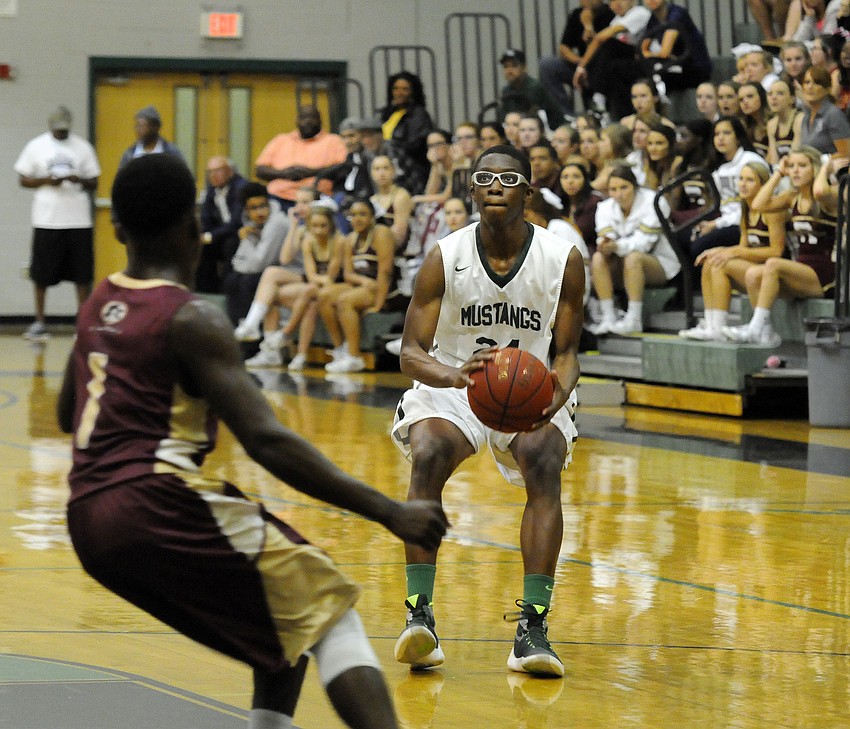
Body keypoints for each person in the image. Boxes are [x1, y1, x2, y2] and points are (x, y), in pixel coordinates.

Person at [57, 153, 449, 729]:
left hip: (88, 520)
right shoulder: (192, 318)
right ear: (194, 228)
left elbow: (71, 413)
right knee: (333, 609)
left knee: (283, 629)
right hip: (154, 501)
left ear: (116, 229)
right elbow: (268, 442)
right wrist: (390, 511)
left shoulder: (100, 300)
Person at [390, 144, 585, 678]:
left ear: (527, 191)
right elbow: (409, 351)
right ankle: (418, 616)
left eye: (508, 177)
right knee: (427, 453)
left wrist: (553, 401)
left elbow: (567, 355)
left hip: (530, 384)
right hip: (454, 379)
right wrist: (453, 376)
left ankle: (534, 628)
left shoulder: (561, 258)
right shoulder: (444, 255)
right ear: (471, 191)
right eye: (484, 177)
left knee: (544, 459)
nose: (495, 185)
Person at [724, 146, 840, 345]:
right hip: (801, 268)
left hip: (824, 273)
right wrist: (779, 172)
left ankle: (754, 328)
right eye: (792, 166)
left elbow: (820, 191)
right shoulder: (791, 197)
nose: (794, 171)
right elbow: (758, 204)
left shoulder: (829, 196)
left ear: (814, 168)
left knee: (772, 264)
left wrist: (825, 169)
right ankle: (764, 331)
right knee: (752, 275)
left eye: (802, 166)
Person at [14, 105, 101, 341]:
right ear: (51, 127)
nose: (61, 133)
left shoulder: (82, 147)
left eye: (65, 130)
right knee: (41, 274)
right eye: (58, 130)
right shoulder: (36, 146)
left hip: (78, 220)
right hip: (47, 220)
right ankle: (40, 321)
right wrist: (45, 180)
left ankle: (82, 322)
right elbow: (23, 178)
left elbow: (94, 181)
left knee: (82, 274)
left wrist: (78, 179)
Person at [678, 160, 786, 341]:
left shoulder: (772, 211)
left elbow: (776, 251)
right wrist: (720, 250)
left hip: (772, 271)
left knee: (720, 264)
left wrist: (733, 253)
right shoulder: (745, 208)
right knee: (711, 261)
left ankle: (719, 327)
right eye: (741, 179)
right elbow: (744, 247)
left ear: (763, 184)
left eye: (750, 180)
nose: (743, 184)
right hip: (754, 267)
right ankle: (713, 325)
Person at [241, 204, 345, 370]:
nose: (318, 230)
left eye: (323, 226)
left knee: (308, 290)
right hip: (314, 285)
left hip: (337, 285)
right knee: (295, 298)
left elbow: (331, 277)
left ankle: (283, 334)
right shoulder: (308, 240)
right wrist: (294, 225)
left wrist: (320, 281)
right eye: (314, 226)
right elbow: (306, 272)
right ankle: (296, 355)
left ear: (331, 225)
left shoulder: (339, 240)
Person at [590, 164, 681, 334]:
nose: (619, 194)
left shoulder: (654, 201)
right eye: (613, 189)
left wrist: (616, 246)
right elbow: (605, 236)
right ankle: (609, 317)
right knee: (597, 258)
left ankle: (634, 319)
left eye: (624, 187)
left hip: (660, 263)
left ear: (635, 186)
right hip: (623, 262)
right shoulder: (604, 207)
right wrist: (606, 244)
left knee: (633, 257)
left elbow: (644, 244)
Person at [317, 199, 395, 373]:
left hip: (383, 289)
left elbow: (386, 272)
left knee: (345, 300)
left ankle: (354, 357)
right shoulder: (350, 239)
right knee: (324, 295)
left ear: (372, 217)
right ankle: (340, 350)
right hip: (363, 286)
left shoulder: (381, 233)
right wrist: (363, 281)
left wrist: (379, 305)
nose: (357, 219)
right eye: (353, 215)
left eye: (362, 214)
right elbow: (348, 274)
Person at [688, 116, 765, 262]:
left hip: (747, 223)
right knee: (684, 238)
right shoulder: (720, 169)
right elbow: (725, 206)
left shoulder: (751, 161)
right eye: (717, 134)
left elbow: (751, 208)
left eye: (726, 133)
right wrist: (712, 223)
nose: (720, 138)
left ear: (738, 137)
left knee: (700, 246)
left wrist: (716, 224)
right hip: (726, 220)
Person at [572, 0, 654, 121]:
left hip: (643, 61)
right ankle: (609, 115)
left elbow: (601, 38)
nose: (617, 4)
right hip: (625, 64)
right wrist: (587, 27)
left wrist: (580, 68)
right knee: (610, 68)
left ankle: (598, 97)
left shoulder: (640, 13)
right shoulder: (615, 20)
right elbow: (595, 42)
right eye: (612, 1)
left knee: (609, 44)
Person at [255, 105, 347, 211]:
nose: (308, 121)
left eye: (312, 117)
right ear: (297, 120)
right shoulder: (281, 140)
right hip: (278, 198)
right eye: (303, 117)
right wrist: (284, 174)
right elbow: (259, 170)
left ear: (320, 120)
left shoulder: (333, 140)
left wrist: (311, 172)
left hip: (317, 199)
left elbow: (343, 168)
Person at [223, 182, 290, 326]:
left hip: (287, 270)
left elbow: (259, 264)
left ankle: (251, 337)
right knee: (232, 280)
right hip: (264, 268)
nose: (260, 212)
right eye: (253, 208)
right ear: (246, 210)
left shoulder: (277, 223)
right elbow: (237, 261)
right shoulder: (250, 222)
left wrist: (246, 240)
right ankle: (236, 328)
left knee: (248, 281)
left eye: (263, 206)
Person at [538, 0, 616, 118]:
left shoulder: (610, 13)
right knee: (548, 65)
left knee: (604, 63)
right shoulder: (576, 14)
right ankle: (565, 115)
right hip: (581, 66)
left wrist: (588, 26)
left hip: (605, 66)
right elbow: (564, 48)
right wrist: (580, 63)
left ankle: (606, 112)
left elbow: (600, 45)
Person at [313, 117, 376, 229]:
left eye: (351, 136)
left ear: (362, 136)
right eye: (344, 137)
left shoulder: (370, 158)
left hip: (362, 204)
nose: (347, 141)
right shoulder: (350, 158)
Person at [640, 0, 713, 96]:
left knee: (657, 78)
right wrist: (652, 55)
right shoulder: (653, 19)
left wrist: (651, 55)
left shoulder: (677, 14)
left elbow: (665, 52)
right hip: (675, 65)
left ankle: (659, 109)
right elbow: (641, 51)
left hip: (695, 67)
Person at [198, 156, 248, 293]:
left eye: (218, 171)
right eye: (210, 172)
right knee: (202, 247)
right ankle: (205, 292)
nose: (213, 175)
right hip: (220, 234)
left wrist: (209, 236)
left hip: (240, 234)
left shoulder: (241, 187)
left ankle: (227, 292)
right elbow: (205, 218)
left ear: (230, 172)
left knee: (230, 244)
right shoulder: (211, 189)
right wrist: (202, 236)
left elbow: (236, 223)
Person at [379, 71, 433, 195]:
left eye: (405, 89)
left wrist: (392, 145)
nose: (399, 93)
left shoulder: (419, 114)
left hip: (410, 169)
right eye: (396, 88)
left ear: (413, 91)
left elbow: (416, 144)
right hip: (388, 165)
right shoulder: (387, 113)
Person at [498, 48, 565, 130]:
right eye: (505, 66)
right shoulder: (506, 90)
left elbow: (529, 116)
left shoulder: (534, 87)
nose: (509, 70)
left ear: (524, 68)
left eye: (514, 65)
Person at [799, 64, 850, 156]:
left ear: (827, 89)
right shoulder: (805, 118)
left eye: (817, 83)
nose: (810, 87)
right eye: (807, 82)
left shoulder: (833, 114)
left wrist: (824, 161)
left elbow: (846, 153)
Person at [117, 105, 185, 169]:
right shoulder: (130, 154)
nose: (138, 130)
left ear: (155, 128)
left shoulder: (171, 152)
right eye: (137, 126)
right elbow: (120, 179)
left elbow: (185, 177)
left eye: (142, 126)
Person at [766, 78, 804, 162]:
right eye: (770, 94)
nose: (773, 97)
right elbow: (773, 162)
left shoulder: (799, 119)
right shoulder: (771, 124)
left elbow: (794, 157)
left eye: (780, 93)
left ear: (792, 99)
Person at [738, 81, 772, 157]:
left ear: (762, 97)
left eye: (750, 96)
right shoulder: (744, 126)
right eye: (741, 99)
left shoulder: (774, 122)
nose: (745, 102)